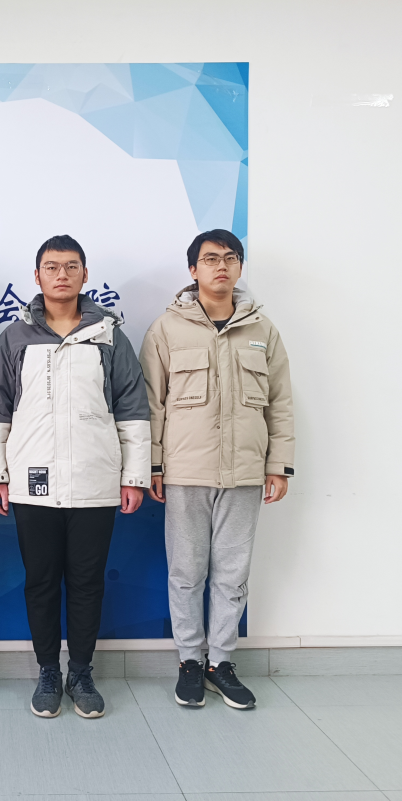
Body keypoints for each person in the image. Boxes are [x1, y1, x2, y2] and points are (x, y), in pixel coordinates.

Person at [0, 235, 151, 719]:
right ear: (36, 276)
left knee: (86, 582)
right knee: (40, 582)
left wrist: (134, 477)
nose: (62, 275)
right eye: (52, 267)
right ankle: (47, 672)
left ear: (84, 275)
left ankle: (80, 672)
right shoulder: (15, 337)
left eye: (71, 266)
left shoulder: (109, 336)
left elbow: (132, 407)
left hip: (95, 481)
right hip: (33, 483)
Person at [139, 229, 294, 710]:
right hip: (186, 471)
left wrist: (278, 465)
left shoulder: (262, 330)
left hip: (245, 472)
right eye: (210, 259)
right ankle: (190, 660)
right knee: (186, 573)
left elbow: (280, 403)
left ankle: (221, 663)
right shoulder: (167, 329)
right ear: (193, 270)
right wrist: (153, 465)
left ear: (240, 267)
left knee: (232, 573)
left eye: (230, 258)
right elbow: (151, 404)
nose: (221, 266)